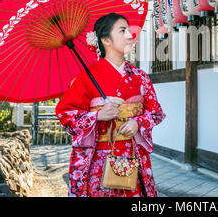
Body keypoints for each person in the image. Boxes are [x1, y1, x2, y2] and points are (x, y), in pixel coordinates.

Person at [55, 12, 166, 197]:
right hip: (99, 160)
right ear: (106, 40)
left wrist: (138, 123)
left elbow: (155, 112)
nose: (130, 36)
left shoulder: (140, 77)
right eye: (122, 31)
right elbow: (65, 113)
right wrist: (96, 115)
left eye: (129, 30)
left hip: (133, 156)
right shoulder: (86, 78)